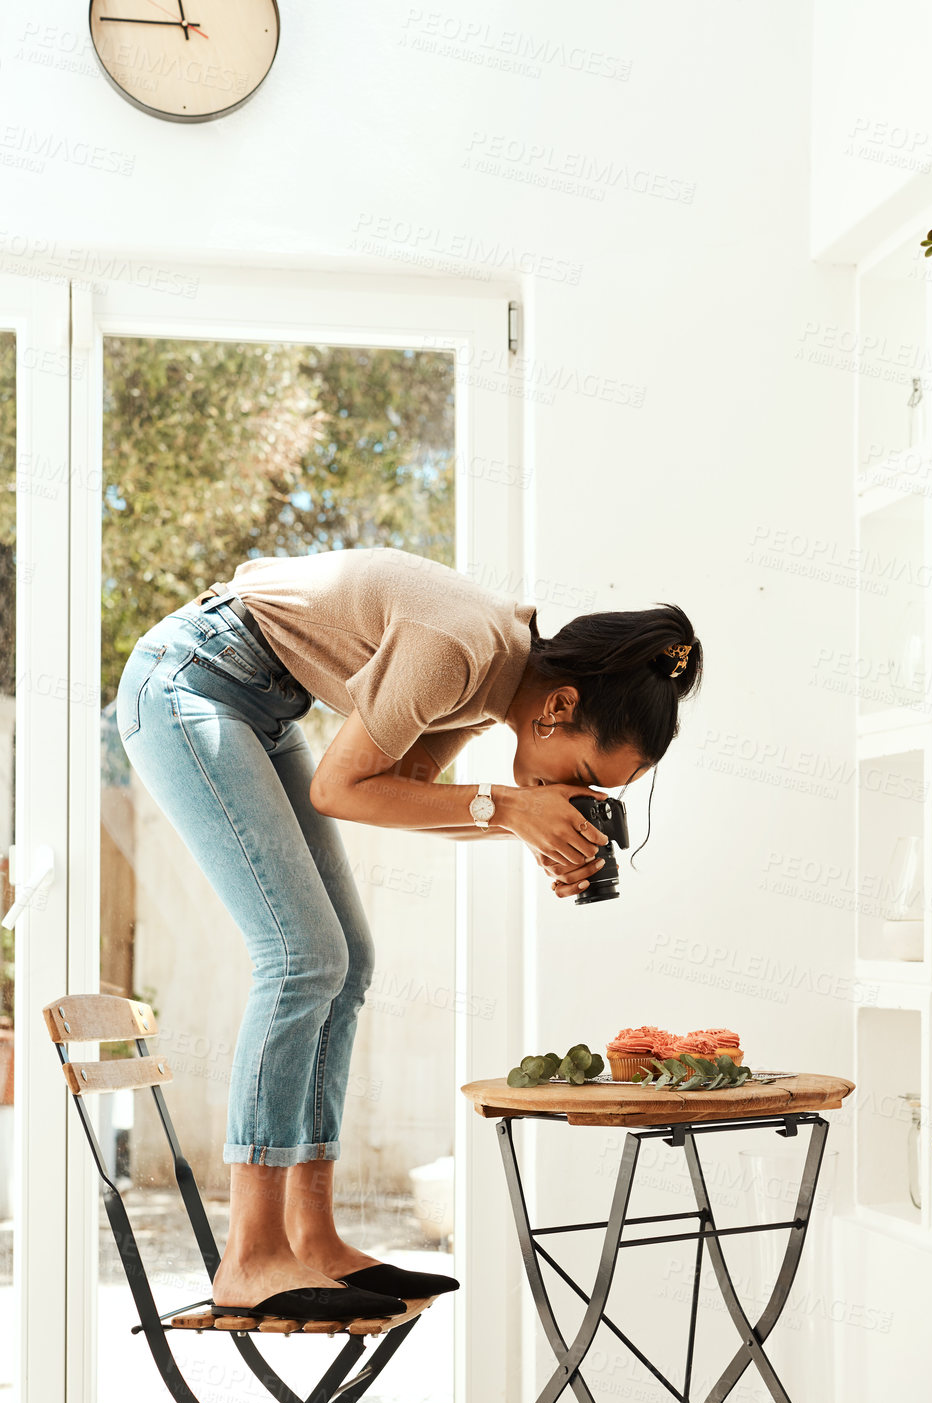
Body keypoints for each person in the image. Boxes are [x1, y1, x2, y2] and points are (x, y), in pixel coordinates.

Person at [116, 547, 703, 1322]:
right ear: (559, 707)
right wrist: (515, 809)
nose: (583, 793)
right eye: (589, 774)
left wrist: (529, 827)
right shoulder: (456, 648)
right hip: (188, 679)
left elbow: (405, 795)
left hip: (258, 701)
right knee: (300, 957)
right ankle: (249, 1254)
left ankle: (313, 1235)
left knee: (347, 961)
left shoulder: (495, 678)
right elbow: (341, 787)